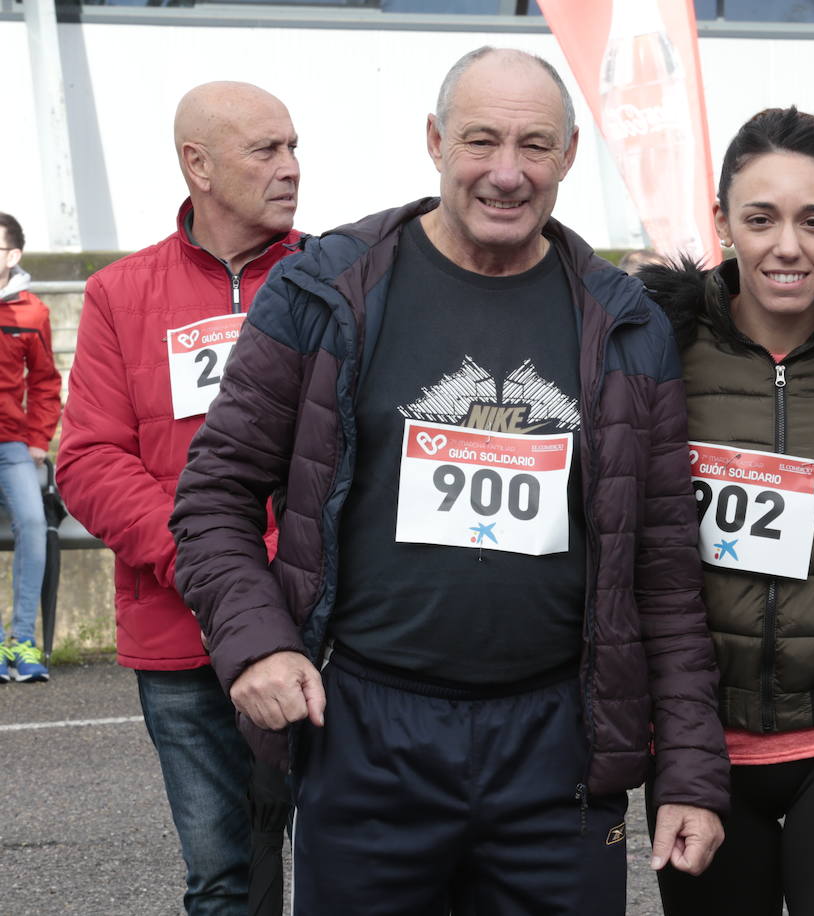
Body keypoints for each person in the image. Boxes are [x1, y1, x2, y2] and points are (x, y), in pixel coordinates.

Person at [169, 47, 729, 913]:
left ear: (570, 157)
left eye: (535, 146)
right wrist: (258, 643)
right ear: (433, 140)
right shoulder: (323, 291)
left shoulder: (627, 323)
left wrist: (690, 768)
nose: (507, 173)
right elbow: (214, 494)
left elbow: (662, 565)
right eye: (480, 141)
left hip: (557, 750)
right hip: (365, 735)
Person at [637, 107, 814, 915]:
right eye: (760, 219)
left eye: (813, 220)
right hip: (699, 746)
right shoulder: (657, 344)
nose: (787, 246)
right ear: (723, 220)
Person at [57, 81, 301, 914]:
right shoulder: (119, 294)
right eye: (266, 150)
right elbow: (88, 460)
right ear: (197, 164)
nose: (291, 167)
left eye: (293, 146)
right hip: (180, 635)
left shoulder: (333, 279)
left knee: (360, 873)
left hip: (325, 627)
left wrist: (284, 569)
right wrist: (215, 566)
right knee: (225, 883)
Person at [0, 212, 61, 684]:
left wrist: (39, 440)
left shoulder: (30, 312)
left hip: (12, 445)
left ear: (13, 256)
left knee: (35, 525)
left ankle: (22, 640)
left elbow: (44, 382)